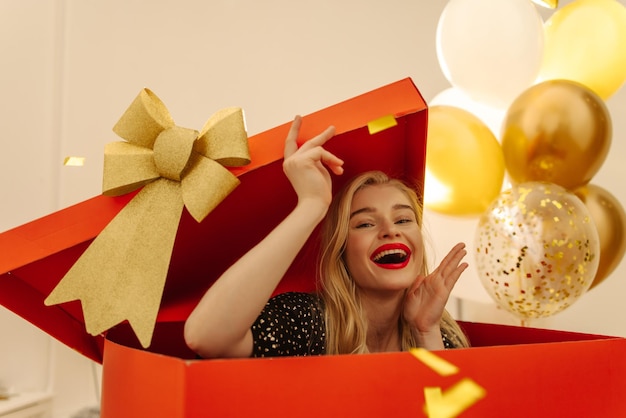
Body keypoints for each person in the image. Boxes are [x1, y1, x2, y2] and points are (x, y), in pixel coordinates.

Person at [184, 115, 469, 358]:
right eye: (365, 224)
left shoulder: (438, 331)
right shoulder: (304, 321)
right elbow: (206, 337)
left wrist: (425, 332)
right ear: (341, 249)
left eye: (404, 219)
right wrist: (311, 204)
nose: (390, 230)